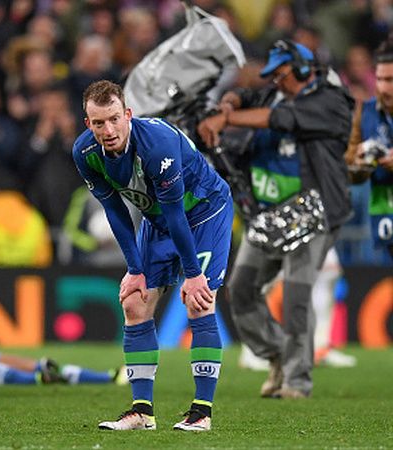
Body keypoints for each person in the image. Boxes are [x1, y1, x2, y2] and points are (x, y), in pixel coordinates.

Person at [72, 80, 233, 432]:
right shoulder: (85, 153)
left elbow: (177, 214)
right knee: (134, 302)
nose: (108, 130)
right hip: (158, 219)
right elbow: (114, 209)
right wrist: (134, 269)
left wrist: (192, 274)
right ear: (88, 124)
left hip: (204, 212)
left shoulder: (157, 145)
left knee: (199, 301)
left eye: (114, 119)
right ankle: (142, 411)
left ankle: (201, 412)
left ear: (128, 114)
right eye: (99, 123)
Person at [198, 40, 354, 399]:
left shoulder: (331, 101)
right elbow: (249, 96)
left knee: (298, 292)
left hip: (312, 213)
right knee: (241, 289)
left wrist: (226, 119)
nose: (276, 82)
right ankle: (278, 355)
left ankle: (297, 381)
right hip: (269, 215)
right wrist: (230, 102)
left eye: (281, 74)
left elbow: (283, 119)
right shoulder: (275, 95)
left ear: (303, 69)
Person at [345, 38, 393, 260]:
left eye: (391, 80)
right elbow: (350, 165)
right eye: (381, 79)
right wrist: (360, 163)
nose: (384, 87)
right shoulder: (366, 112)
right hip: (384, 209)